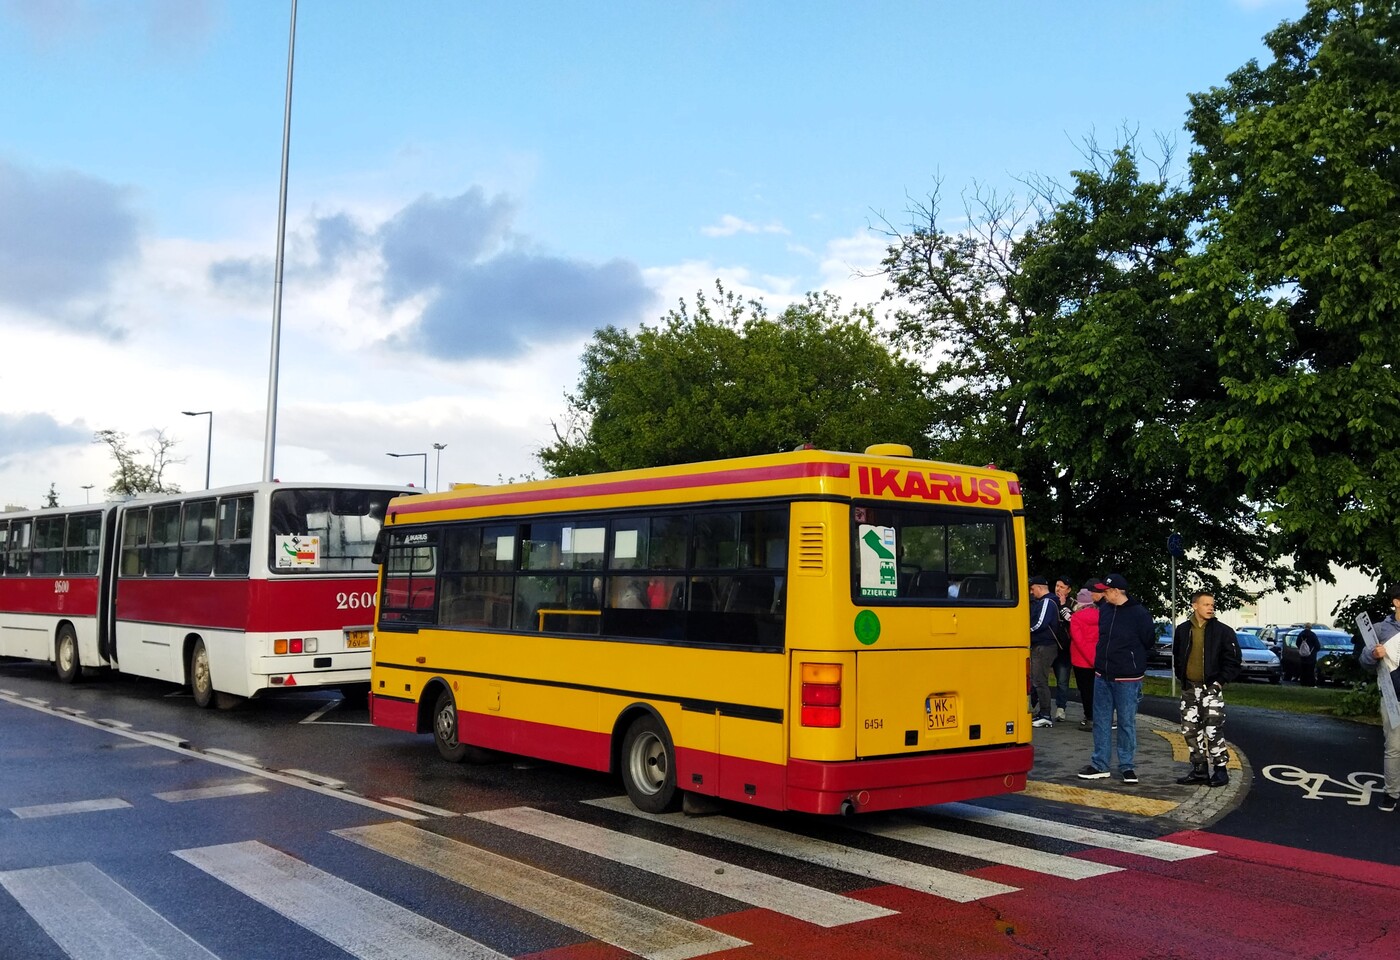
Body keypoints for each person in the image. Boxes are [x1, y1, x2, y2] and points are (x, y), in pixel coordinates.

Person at [1077, 572, 1154, 783]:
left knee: (1126, 723)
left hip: (1128, 678)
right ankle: (1100, 764)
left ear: (1116, 591)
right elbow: (1103, 637)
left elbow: (1148, 640)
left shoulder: (1139, 614)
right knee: (1101, 721)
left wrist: (1131, 661)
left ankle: (1127, 766)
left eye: (1106, 591)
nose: (1103, 594)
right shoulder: (1105, 610)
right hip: (1103, 674)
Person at [1172, 590, 1242, 788]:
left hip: (1211, 688)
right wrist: (1183, 678)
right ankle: (1199, 769)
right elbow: (1178, 656)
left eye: (1212, 604)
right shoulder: (1183, 630)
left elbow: (1233, 661)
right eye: (1206, 604)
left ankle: (1220, 769)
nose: (1210, 608)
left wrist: (1218, 683)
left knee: (1212, 729)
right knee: (1189, 730)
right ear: (1195, 606)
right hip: (1189, 689)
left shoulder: (1223, 631)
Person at [1360, 584, 1400, 812]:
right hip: (1393, 697)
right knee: (1394, 747)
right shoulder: (1381, 629)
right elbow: (1364, 661)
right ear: (1396, 602)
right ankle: (1391, 793)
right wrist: (1373, 654)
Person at [1028, 576, 1058, 728]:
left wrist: (1025, 632)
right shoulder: (1048, 601)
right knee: (1038, 679)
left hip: (1045, 645)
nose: (1032, 593)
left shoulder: (1047, 602)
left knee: (1039, 679)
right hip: (1043, 645)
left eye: (1033, 589)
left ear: (1039, 588)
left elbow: (1040, 623)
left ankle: (1045, 714)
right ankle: (1043, 713)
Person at [1069, 588, 1099, 731]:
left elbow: (1078, 640)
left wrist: (1088, 658)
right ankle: (1099, 718)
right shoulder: (1100, 615)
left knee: (1085, 691)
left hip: (1081, 660)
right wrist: (1095, 658)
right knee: (1097, 691)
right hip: (1098, 660)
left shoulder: (1076, 617)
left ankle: (1089, 718)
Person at [1051, 575, 1075, 721]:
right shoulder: (1048, 601)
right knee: (1037, 677)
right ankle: (1034, 705)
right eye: (1057, 586)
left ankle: (1061, 708)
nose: (1058, 589)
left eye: (1062, 587)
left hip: (1064, 648)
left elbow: (1072, 619)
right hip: (1048, 645)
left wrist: (1063, 605)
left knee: (1062, 679)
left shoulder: (1074, 604)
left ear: (1069, 590)